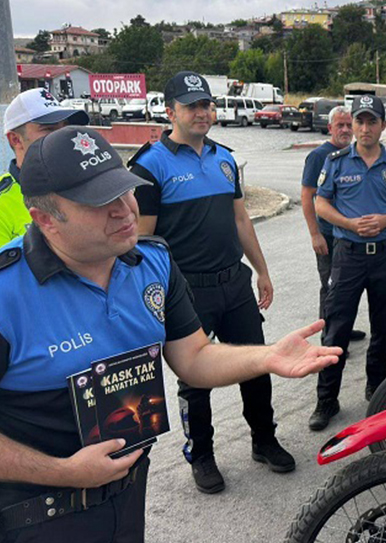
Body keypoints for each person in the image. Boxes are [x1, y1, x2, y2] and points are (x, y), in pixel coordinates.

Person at [0, 126, 340, 542]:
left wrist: (266, 357)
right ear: (46, 219)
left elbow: (194, 357)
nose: (125, 209)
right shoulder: (6, 292)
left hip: (127, 495)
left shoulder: (152, 263)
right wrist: (65, 473)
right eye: (99, 201)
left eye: (124, 190)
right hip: (35, 516)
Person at [129, 71, 289, 494]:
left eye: (206, 105)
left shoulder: (224, 158)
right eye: (191, 106)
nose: (201, 113)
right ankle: (201, 454)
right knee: (195, 379)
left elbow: (241, 220)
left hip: (233, 282)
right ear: (170, 111)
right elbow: (143, 242)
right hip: (187, 291)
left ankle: (264, 439)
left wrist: (262, 270)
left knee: (258, 363)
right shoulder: (149, 166)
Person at [311, 95, 386, 431]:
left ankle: (377, 391)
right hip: (348, 257)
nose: (365, 128)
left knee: (382, 329)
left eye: (372, 122)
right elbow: (320, 204)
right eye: (360, 121)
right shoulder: (337, 162)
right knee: (335, 331)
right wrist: (350, 223)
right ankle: (326, 400)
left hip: (385, 256)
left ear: (383, 125)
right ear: (352, 124)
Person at [299, 105, 367, 351]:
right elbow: (307, 197)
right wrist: (315, 234)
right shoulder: (319, 156)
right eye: (340, 125)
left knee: (348, 286)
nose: (346, 130)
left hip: (350, 237)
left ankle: (343, 329)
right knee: (330, 287)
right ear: (329, 128)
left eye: (349, 125)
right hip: (328, 236)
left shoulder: (355, 153)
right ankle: (328, 338)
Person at [1, 88, 89, 245]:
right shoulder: (4, 201)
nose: (63, 136)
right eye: (49, 129)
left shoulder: (89, 184)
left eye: (66, 127)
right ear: (15, 139)